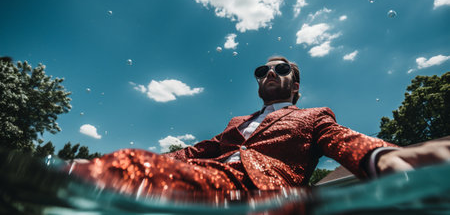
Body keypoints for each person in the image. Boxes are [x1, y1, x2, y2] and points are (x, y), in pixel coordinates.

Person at [69, 56, 450, 196]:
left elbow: (341, 140)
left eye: (281, 68)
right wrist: (157, 156)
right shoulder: (238, 121)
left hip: (265, 193)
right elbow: (201, 149)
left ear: (295, 85)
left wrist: (382, 157)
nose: (270, 72)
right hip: (205, 175)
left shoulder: (313, 116)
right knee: (120, 167)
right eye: (262, 70)